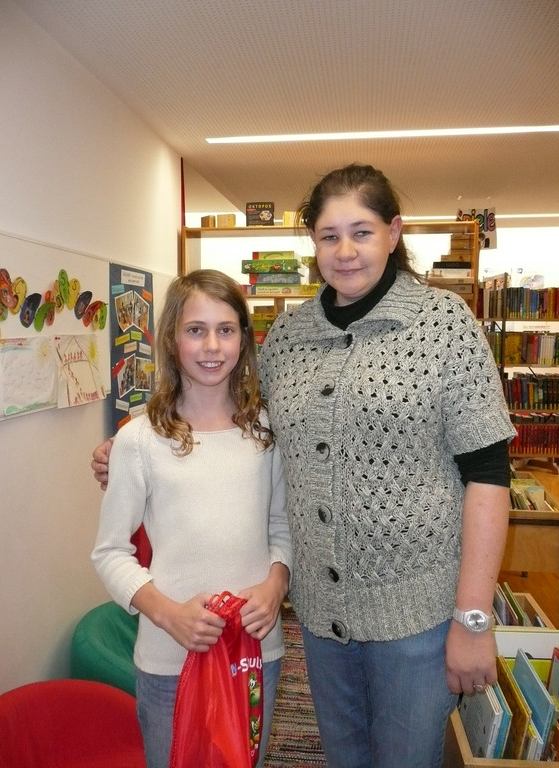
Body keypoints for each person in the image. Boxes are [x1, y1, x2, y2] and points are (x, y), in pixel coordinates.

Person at [93, 164, 516, 768]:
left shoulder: (445, 326)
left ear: (394, 232)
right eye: (328, 236)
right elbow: (229, 414)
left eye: (362, 232)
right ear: (312, 242)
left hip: (418, 616)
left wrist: (472, 619)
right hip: (321, 621)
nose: (345, 251)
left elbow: (489, 475)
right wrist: (130, 444)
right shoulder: (289, 337)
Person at [91, 269, 291, 768]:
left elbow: (282, 528)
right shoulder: (139, 440)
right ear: (171, 339)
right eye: (196, 330)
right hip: (168, 657)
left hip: (254, 650)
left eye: (226, 330)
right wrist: (168, 614)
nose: (212, 346)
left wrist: (275, 586)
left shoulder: (266, 432)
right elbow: (110, 552)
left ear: (244, 340)